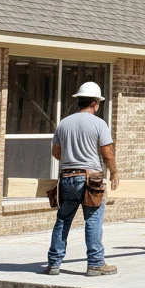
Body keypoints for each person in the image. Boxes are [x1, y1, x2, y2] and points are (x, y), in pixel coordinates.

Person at [45, 81, 119, 276]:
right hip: (90, 178)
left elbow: (56, 152)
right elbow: (107, 152)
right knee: (93, 220)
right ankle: (95, 264)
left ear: (79, 101)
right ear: (95, 103)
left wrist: (72, 158)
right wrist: (114, 173)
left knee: (63, 220)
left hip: (67, 177)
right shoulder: (99, 124)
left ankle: (54, 263)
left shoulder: (64, 123)